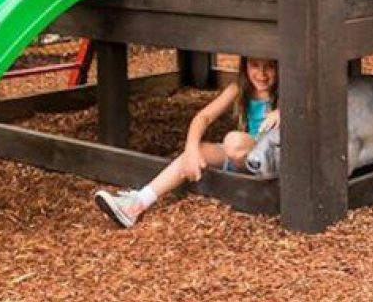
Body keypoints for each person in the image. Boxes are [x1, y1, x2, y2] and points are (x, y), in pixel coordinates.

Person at [95, 57, 279, 228]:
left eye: (270, 66)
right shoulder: (239, 88)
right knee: (202, 149)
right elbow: (203, 117)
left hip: (270, 158)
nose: (262, 74)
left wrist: (284, 112)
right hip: (244, 154)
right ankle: (137, 203)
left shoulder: (287, 92)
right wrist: (191, 149)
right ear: (244, 65)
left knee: (234, 141)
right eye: (255, 65)